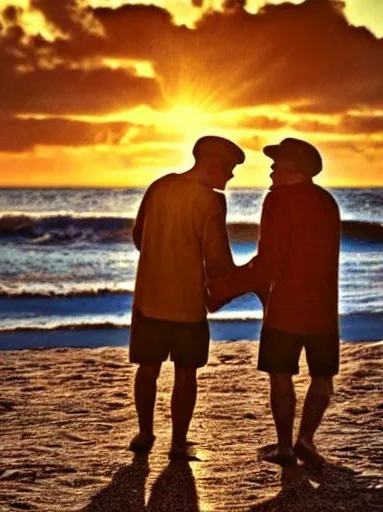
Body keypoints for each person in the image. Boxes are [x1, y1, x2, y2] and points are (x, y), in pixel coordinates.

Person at [208, 138, 341, 466]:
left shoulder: (278, 201)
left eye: (276, 164)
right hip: (323, 308)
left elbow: (268, 265)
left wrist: (221, 290)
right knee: (322, 377)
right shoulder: (327, 202)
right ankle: (306, 441)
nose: (270, 170)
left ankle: (285, 447)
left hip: (285, 308)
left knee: (281, 375)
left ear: (291, 170)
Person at [129, 135, 245, 458]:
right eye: (230, 168)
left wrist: (160, 257)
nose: (231, 176)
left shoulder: (159, 187)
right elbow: (218, 260)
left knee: (148, 369)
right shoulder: (210, 201)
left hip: (149, 299)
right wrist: (241, 279)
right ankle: (178, 443)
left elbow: (139, 235)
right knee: (185, 373)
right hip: (188, 306)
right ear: (214, 165)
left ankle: (145, 432)